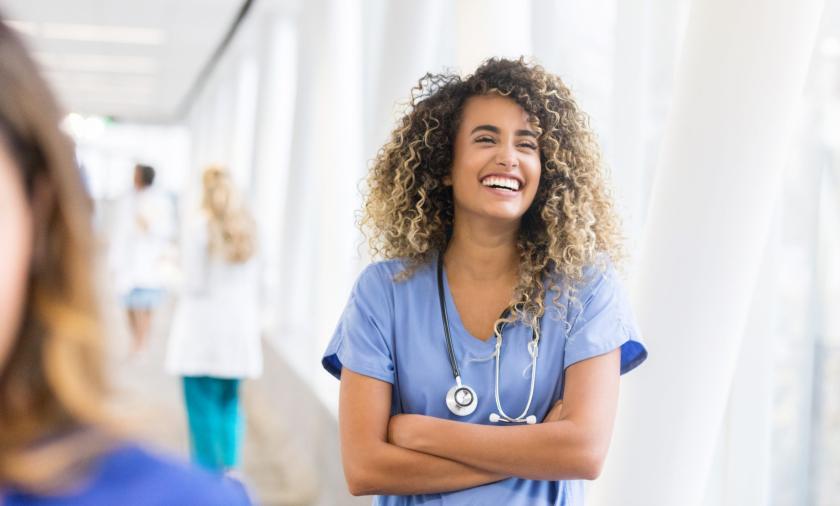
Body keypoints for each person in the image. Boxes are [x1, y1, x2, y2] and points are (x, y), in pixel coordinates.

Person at [322, 58, 648, 505]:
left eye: (527, 144)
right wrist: (538, 448)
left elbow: (584, 452)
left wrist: (417, 432)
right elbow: (364, 468)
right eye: (485, 139)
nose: (508, 157)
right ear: (443, 163)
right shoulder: (382, 293)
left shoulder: (587, 288)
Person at [0, 17, 251, 505]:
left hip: (194, 320)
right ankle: (230, 463)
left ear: (40, 216)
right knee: (226, 404)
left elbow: (191, 274)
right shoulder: (240, 230)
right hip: (226, 328)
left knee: (204, 403)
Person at [166, 165, 262, 473]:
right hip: (238, 332)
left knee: (201, 409)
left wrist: (170, 269)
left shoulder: (199, 226)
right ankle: (230, 474)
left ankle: (206, 479)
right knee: (229, 405)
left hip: (202, 334)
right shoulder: (250, 227)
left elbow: (194, 283)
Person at [109, 162, 176, 352]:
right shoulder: (127, 198)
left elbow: (166, 230)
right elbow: (119, 230)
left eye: (135, 174)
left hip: (149, 262)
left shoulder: (160, 201)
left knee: (144, 305)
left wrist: (149, 226)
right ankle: (137, 338)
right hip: (128, 261)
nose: (133, 177)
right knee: (129, 305)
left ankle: (140, 341)